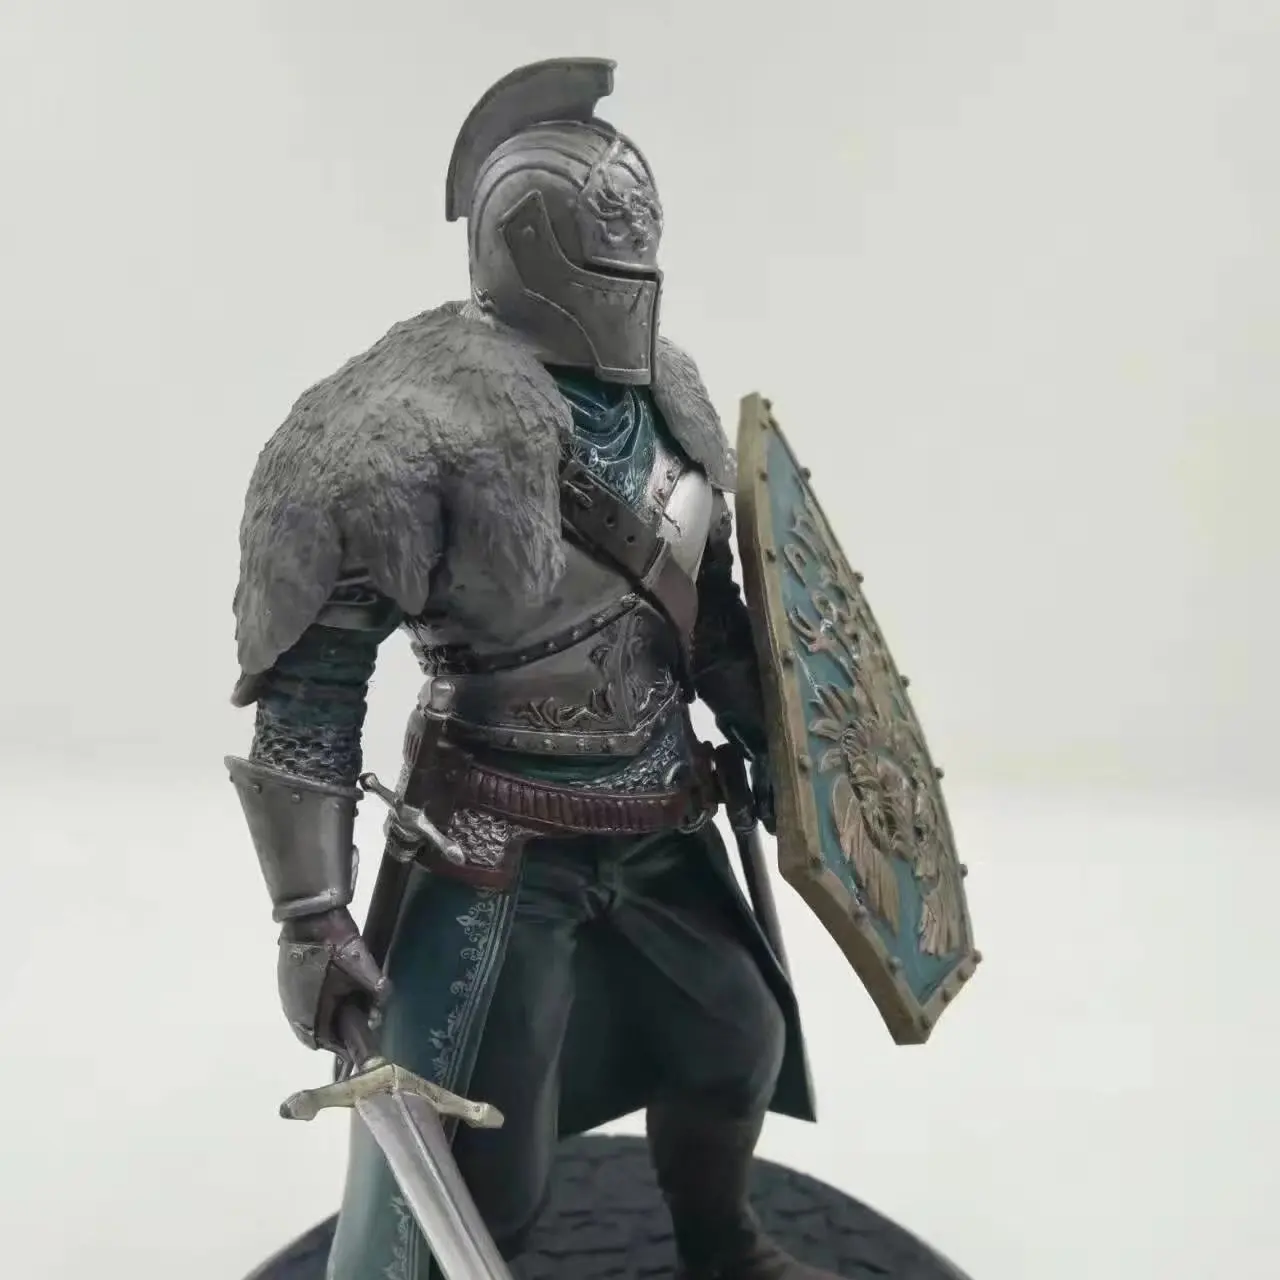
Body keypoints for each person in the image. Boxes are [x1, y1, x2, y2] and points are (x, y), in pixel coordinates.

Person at [226, 57, 837, 1280]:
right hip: (494, 838)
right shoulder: (399, 437)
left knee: (735, 1037)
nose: (629, 284)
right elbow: (312, 692)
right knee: (485, 1156)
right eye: (605, 254)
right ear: (535, 255)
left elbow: (714, 622)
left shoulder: (668, 402)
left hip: (662, 809)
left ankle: (720, 1242)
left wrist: (779, 749)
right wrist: (310, 915)